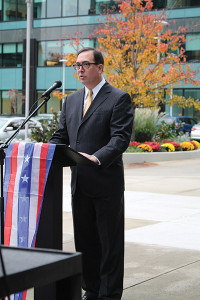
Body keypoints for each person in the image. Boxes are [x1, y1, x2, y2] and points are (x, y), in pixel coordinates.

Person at [50, 47, 133, 300]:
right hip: (80, 185)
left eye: (85, 65)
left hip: (106, 184)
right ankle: (92, 290)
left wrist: (96, 158)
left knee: (109, 246)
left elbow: (120, 139)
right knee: (85, 243)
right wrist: (42, 151)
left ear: (100, 67)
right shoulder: (72, 100)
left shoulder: (119, 98)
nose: (80, 70)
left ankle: (109, 295)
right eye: (77, 65)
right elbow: (61, 136)